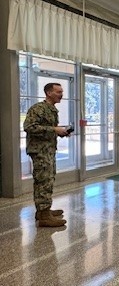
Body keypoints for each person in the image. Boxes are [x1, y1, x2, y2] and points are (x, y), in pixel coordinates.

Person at [23, 83, 69, 227]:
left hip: (48, 150)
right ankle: (44, 216)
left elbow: (46, 130)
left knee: (47, 180)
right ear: (49, 93)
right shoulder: (38, 108)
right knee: (44, 181)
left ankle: (43, 211)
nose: (61, 94)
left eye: (62, 92)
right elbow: (29, 127)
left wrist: (60, 133)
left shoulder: (52, 110)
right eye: (58, 92)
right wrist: (54, 129)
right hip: (40, 151)